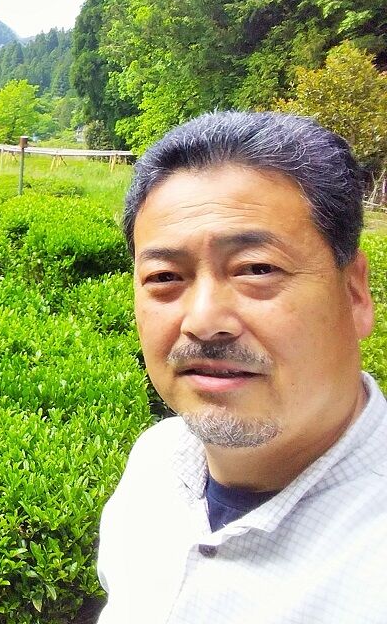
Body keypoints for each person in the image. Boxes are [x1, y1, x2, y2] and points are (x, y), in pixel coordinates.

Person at [96, 110, 387, 623]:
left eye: (256, 269)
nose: (204, 321)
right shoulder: (156, 462)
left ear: (354, 292)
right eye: (164, 276)